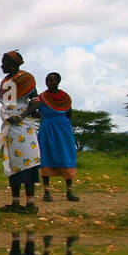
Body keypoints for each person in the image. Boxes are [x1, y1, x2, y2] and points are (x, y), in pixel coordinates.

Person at [0, 50, 41, 213]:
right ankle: (15, 202)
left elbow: (35, 102)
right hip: (9, 125)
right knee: (12, 163)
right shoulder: (5, 81)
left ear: (13, 63)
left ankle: (30, 204)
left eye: (4, 62)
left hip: (23, 127)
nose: (1, 65)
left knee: (27, 164)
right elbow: (6, 104)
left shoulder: (26, 78)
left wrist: (21, 116)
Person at [38, 73, 79, 202]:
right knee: (46, 155)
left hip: (63, 129)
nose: (49, 83)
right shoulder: (42, 97)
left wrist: (67, 129)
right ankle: (46, 192)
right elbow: (34, 111)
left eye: (52, 80)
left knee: (66, 155)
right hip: (47, 128)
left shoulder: (66, 98)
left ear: (58, 82)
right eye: (47, 80)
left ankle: (69, 191)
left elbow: (69, 114)